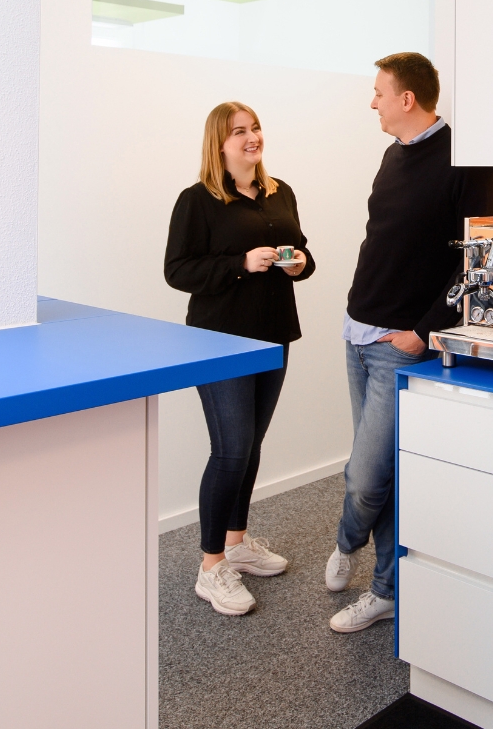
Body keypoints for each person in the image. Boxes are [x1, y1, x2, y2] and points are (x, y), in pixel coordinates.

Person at [326, 52, 493, 633]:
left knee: (364, 477)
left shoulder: (466, 161)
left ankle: (345, 541)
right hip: (357, 330)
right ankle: (385, 590)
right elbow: (381, 239)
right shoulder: (392, 154)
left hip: (397, 344)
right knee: (382, 473)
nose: (371, 102)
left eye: (379, 92)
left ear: (407, 99)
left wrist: (423, 332)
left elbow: (475, 263)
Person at [165, 102, 314, 616]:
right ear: (220, 143)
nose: (252, 138)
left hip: (273, 336)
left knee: (249, 447)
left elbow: (303, 252)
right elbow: (178, 271)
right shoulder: (197, 200)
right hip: (220, 341)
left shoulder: (280, 192)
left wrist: (298, 264)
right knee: (229, 451)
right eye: (239, 132)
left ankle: (236, 544)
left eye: (256, 128)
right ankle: (211, 568)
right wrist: (240, 263)